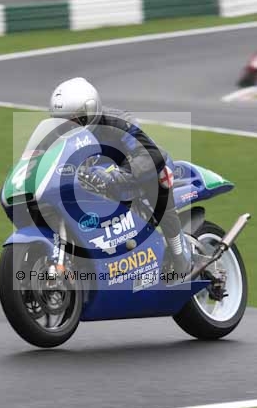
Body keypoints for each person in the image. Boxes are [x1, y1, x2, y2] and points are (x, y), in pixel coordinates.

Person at [49, 77, 192, 275]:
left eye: (75, 119)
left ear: (91, 110)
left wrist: (117, 176)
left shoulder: (118, 122)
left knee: (158, 185)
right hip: (97, 180)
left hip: (138, 171)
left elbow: (149, 155)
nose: (70, 126)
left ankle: (181, 257)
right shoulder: (60, 137)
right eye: (63, 121)